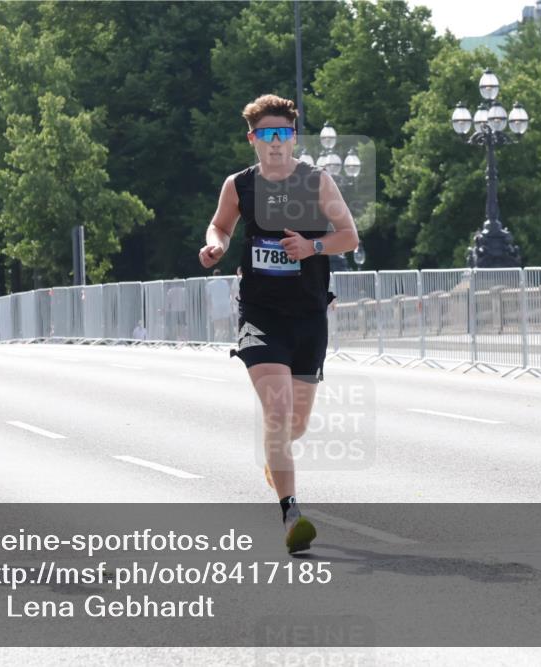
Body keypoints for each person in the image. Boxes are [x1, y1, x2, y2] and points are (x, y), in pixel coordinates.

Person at [198, 94, 359, 553]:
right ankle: (292, 514)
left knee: (298, 424)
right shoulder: (239, 185)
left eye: (283, 134)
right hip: (261, 316)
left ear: (293, 138)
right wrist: (216, 246)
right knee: (278, 412)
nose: (275, 142)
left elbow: (348, 235)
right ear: (253, 139)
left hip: (308, 315)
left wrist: (313, 249)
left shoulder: (317, 182)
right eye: (266, 134)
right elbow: (220, 227)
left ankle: (276, 459)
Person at [205, 268, 233, 342]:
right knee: (225, 324)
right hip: (225, 305)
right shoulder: (225, 282)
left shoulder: (210, 284)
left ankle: (217, 339)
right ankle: (224, 339)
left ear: (213, 275)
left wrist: (209, 307)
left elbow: (208, 297)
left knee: (217, 325)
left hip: (216, 306)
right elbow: (229, 293)